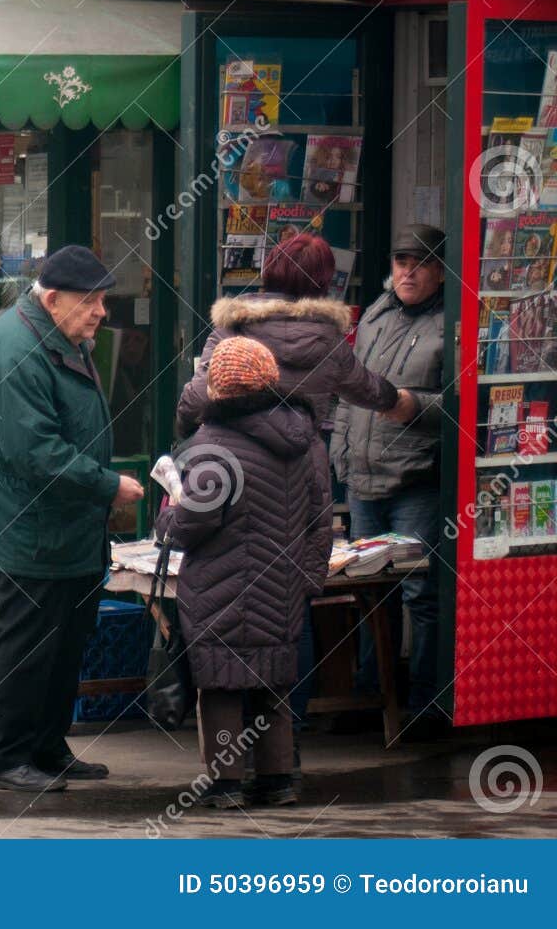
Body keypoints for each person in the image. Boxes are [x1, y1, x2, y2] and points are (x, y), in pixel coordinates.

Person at [0, 245, 144, 793]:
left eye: (103, 301)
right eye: (89, 301)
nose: (100, 312)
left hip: (67, 526)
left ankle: (46, 747)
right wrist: (108, 485)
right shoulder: (17, 349)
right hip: (30, 528)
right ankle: (4, 758)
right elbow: (35, 452)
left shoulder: (61, 334)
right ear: (51, 298)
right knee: (27, 647)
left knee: (65, 644)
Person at [178, 233, 409, 576]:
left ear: (269, 271)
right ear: (323, 282)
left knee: (232, 577)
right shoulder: (329, 341)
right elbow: (368, 388)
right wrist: (400, 400)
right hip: (301, 479)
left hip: (234, 473)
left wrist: (192, 433)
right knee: (292, 586)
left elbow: (194, 402)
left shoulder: (233, 330)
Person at [157, 337, 325, 808]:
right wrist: (307, 576)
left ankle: (225, 783)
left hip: (220, 586)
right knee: (273, 681)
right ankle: (278, 780)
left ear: (218, 389)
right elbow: (318, 514)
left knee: (220, 684)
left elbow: (191, 524)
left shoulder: (211, 447)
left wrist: (165, 514)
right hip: (283, 584)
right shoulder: (305, 440)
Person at [331, 223, 447, 730]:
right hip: (363, 479)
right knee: (368, 591)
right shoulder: (376, 315)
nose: (408, 272)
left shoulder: (453, 323)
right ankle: (368, 700)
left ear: (441, 272)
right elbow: (346, 387)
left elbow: (467, 403)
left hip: (415, 478)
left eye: (419, 263)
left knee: (421, 594)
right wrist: (340, 449)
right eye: (401, 262)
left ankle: (426, 705)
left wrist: (416, 405)